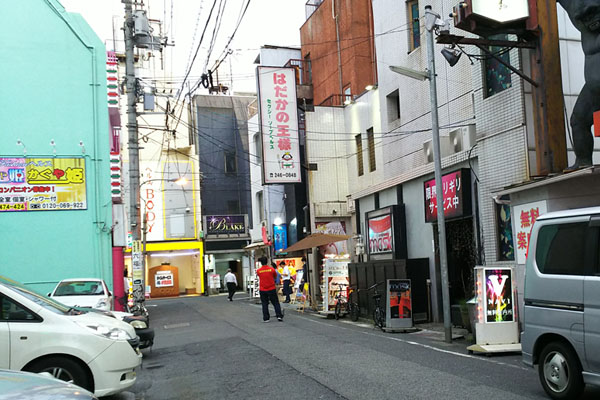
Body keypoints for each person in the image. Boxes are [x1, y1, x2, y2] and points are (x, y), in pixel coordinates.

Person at [257, 256, 283, 322]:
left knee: (265, 303)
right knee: (275, 303)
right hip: (271, 288)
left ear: (261, 263)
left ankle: (266, 318)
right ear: (267, 261)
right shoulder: (271, 269)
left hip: (263, 289)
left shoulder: (259, 271)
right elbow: (275, 276)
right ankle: (279, 315)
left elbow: (259, 276)